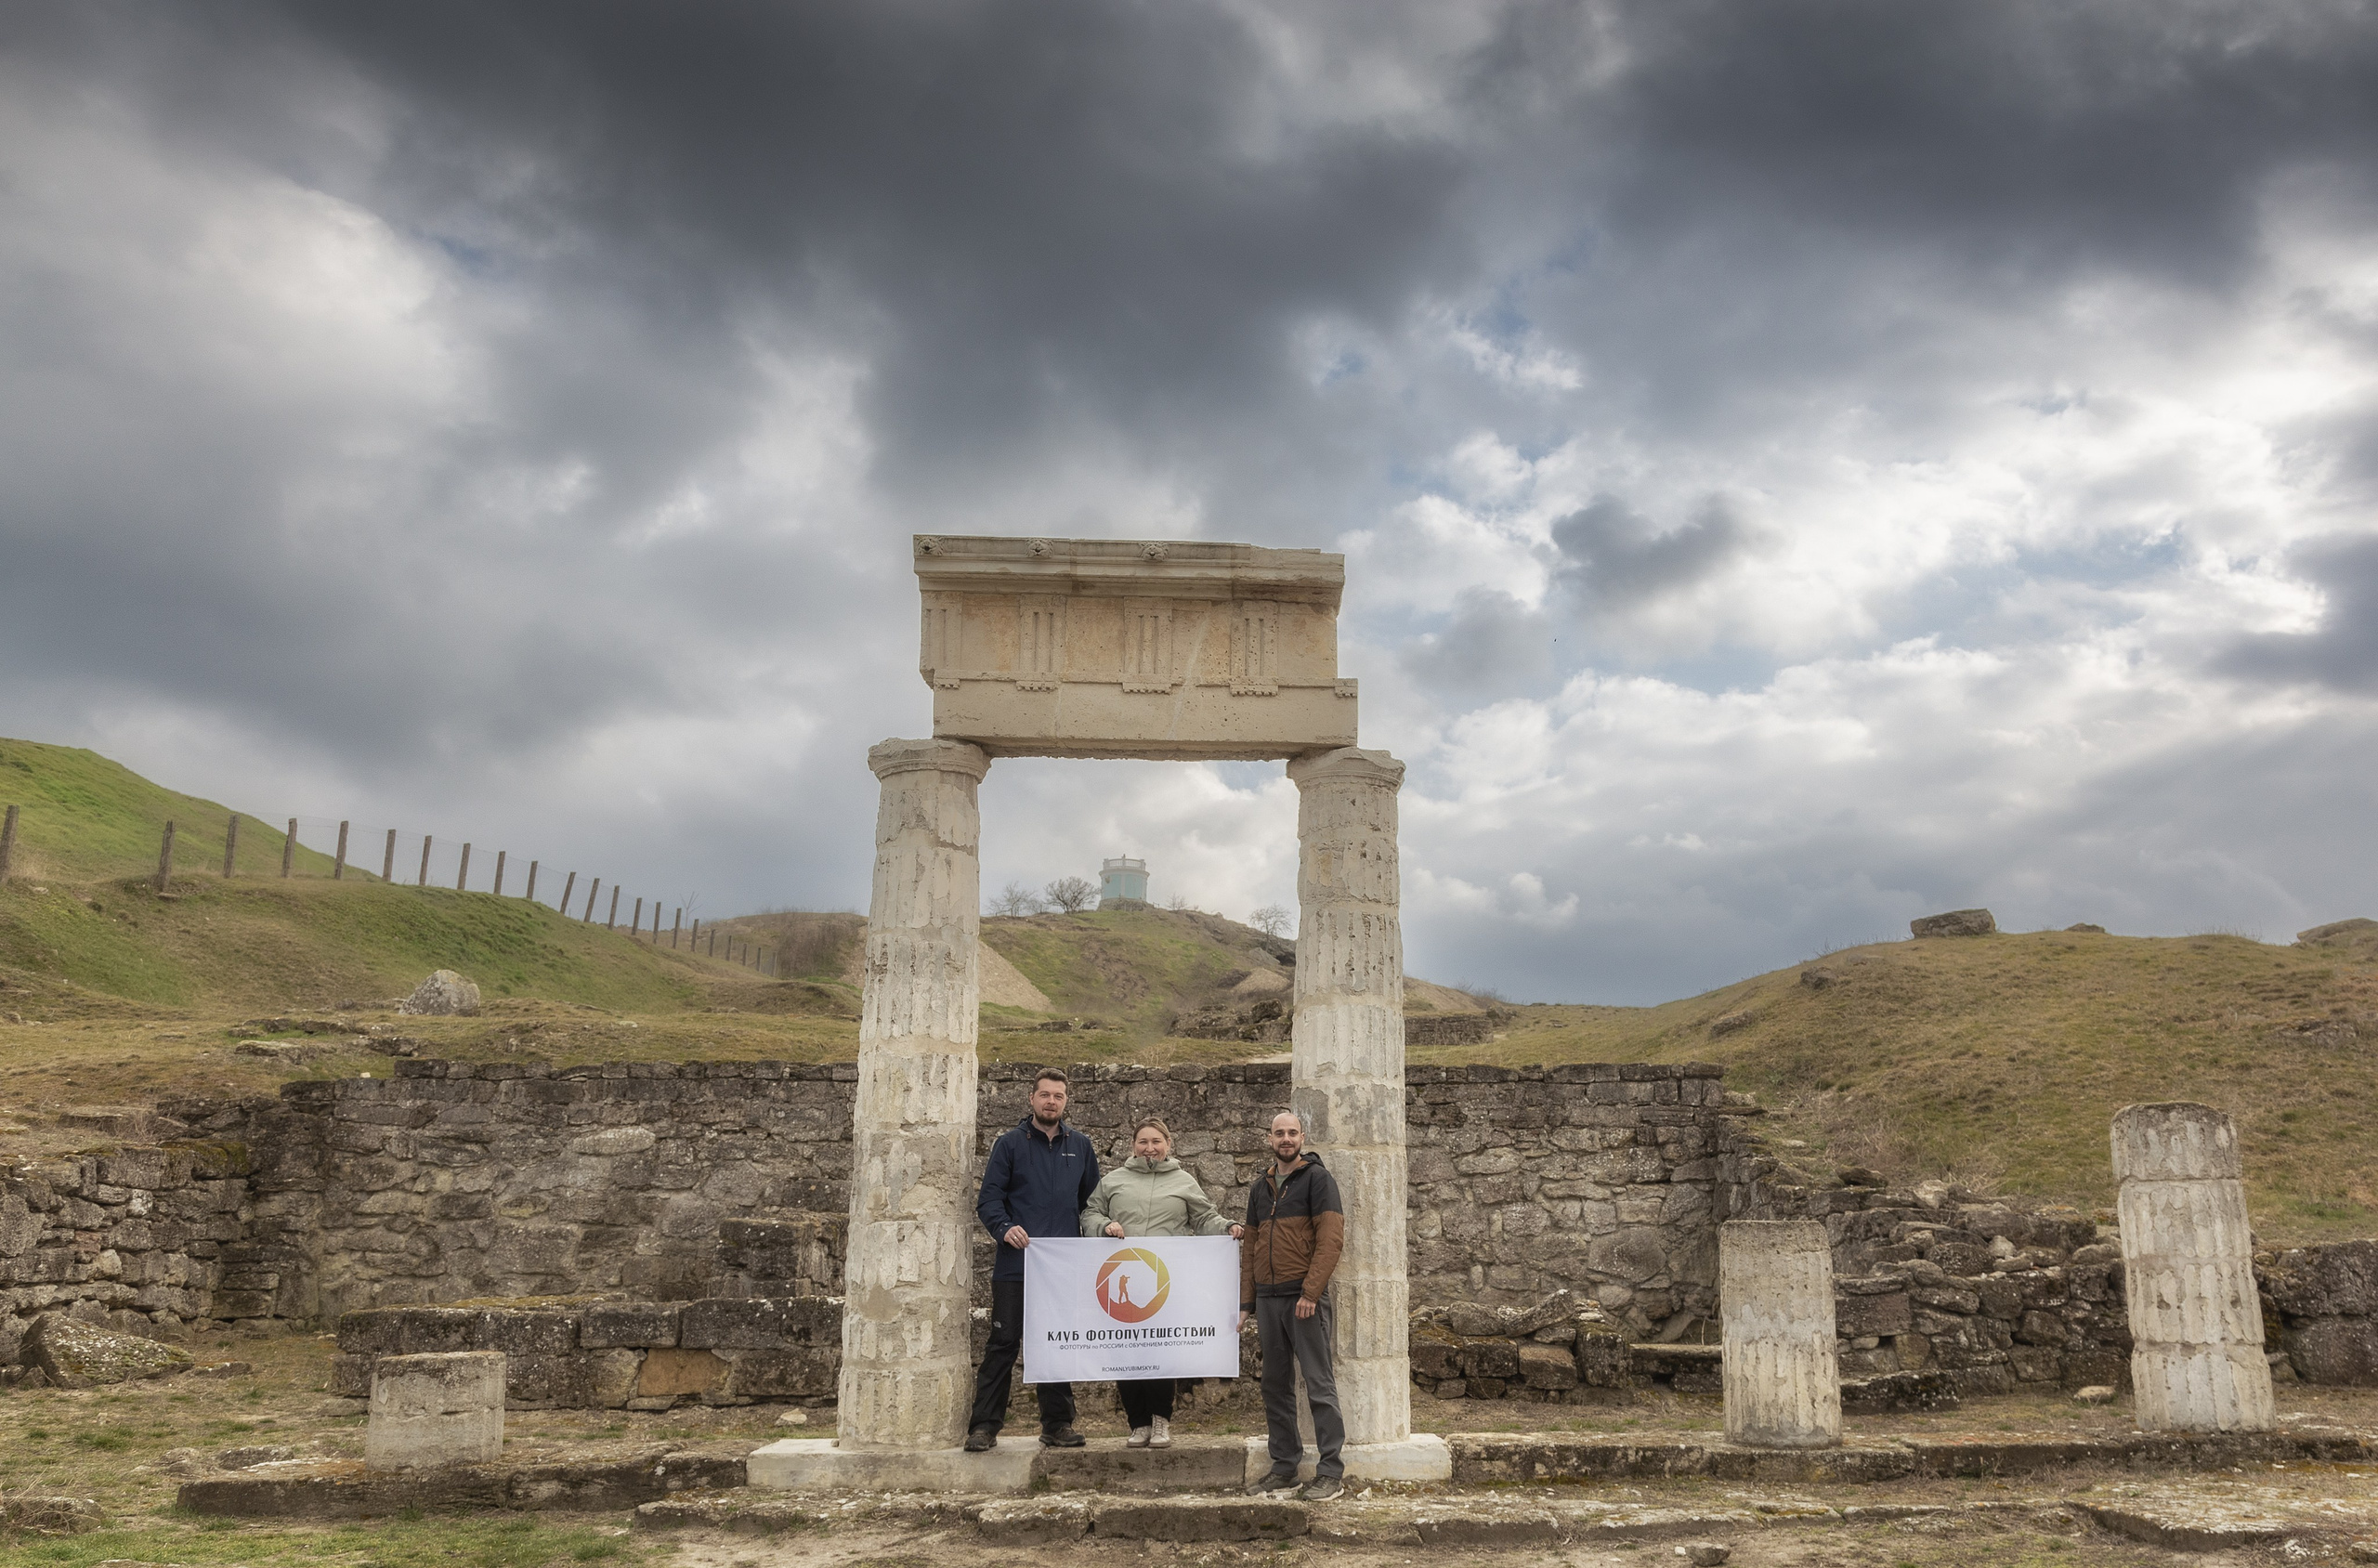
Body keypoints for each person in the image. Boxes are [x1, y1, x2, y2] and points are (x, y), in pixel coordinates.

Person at [1080, 1117, 1244, 1449]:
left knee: (1161, 1349)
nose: (1149, 1148)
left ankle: (1160, 1421)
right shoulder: (1113, 1181)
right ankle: (1137, 1423)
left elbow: (1204, 1217)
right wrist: (1105, 1225)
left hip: (1164, 1281)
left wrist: (1227, 1226)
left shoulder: (1184, 1181)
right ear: (1133, 1146)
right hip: (1122, 1278)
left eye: (1156, 1141)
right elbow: (1089, 1213)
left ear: (1168, 1145)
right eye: (1143, 1142)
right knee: (1126, 1352)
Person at [966, 1067, 1100, 1452]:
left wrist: (1102, 1230)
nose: (1051, 1102)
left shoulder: (1082, 1146)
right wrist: (1005, 1227)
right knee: (1003, 1342)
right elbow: (988, 1199)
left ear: (1066, 1101)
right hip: (1016, 1265)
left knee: (1056, 1343)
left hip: (1062, 1268)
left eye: (1058, 1096)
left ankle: (1057, 1424)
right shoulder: (1009, 1145)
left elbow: (1092, 1204)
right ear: (1032, 1099)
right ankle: (984, 1427)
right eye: (1045, 1095)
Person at [1239, 1108, 1346, 1501]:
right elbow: (1251, 1246)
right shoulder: (1259, 1187)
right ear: (1270, 1139)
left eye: (1293, 1133)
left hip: (1304, 1300)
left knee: (1319, 1384)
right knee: (1274, 1386)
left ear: (1303, 1137)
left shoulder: (1318, 1180)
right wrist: (1246, 1302)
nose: (1286, 1139)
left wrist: (1310, 1293)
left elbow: (1330, 1241)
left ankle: (1331, 1472)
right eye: (1279, 1133)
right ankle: (1285, 1468)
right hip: (1268, 1300)